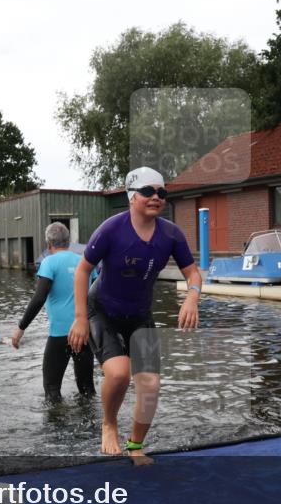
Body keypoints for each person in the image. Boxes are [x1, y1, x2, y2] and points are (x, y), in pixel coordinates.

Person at [68, 167, 201, 462]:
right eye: (148, 192)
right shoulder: (111, 229)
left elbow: (192, 272)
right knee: (118, 374)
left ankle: (135, 446)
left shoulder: (171, 234)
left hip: (139, 314)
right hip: (102, 310)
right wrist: (79, 318)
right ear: (131, 196)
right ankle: (109, 424)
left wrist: (192, 296)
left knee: (151, 384)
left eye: (161, 193)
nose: (156, 197)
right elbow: (82, 271)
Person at [11, 223, 96, 401]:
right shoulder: (85, 262)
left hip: (60, 335)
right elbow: (97, 296)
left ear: (48, 243)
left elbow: (39, 297)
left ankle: (56, 428)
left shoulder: (49, 262)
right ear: (69, 241)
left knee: (52, 389)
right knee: (87, 389)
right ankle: (91, 426)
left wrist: (21, 327)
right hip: (84, 333)